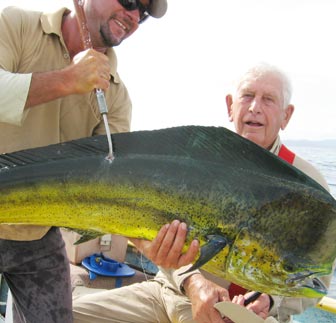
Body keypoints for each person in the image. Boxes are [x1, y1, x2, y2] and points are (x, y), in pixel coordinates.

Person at [72, 63, 333, 323]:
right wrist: (193, 283)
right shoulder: (197, 164)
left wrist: (272, 300)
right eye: (247, 96)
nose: (255, 107)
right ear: (230, 106)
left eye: (268, 100)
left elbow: (317, 281)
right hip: (172, 292)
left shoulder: (309, 187)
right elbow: (157, 236)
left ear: (286, 116)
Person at [0, 1, 199, 322]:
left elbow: (113, 190)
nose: (134, 16)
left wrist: (157, 248)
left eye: (143, 13)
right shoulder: (15, 24)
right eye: (130, 1)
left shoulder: (116, 96)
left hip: (37, 235)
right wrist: (67, 80)